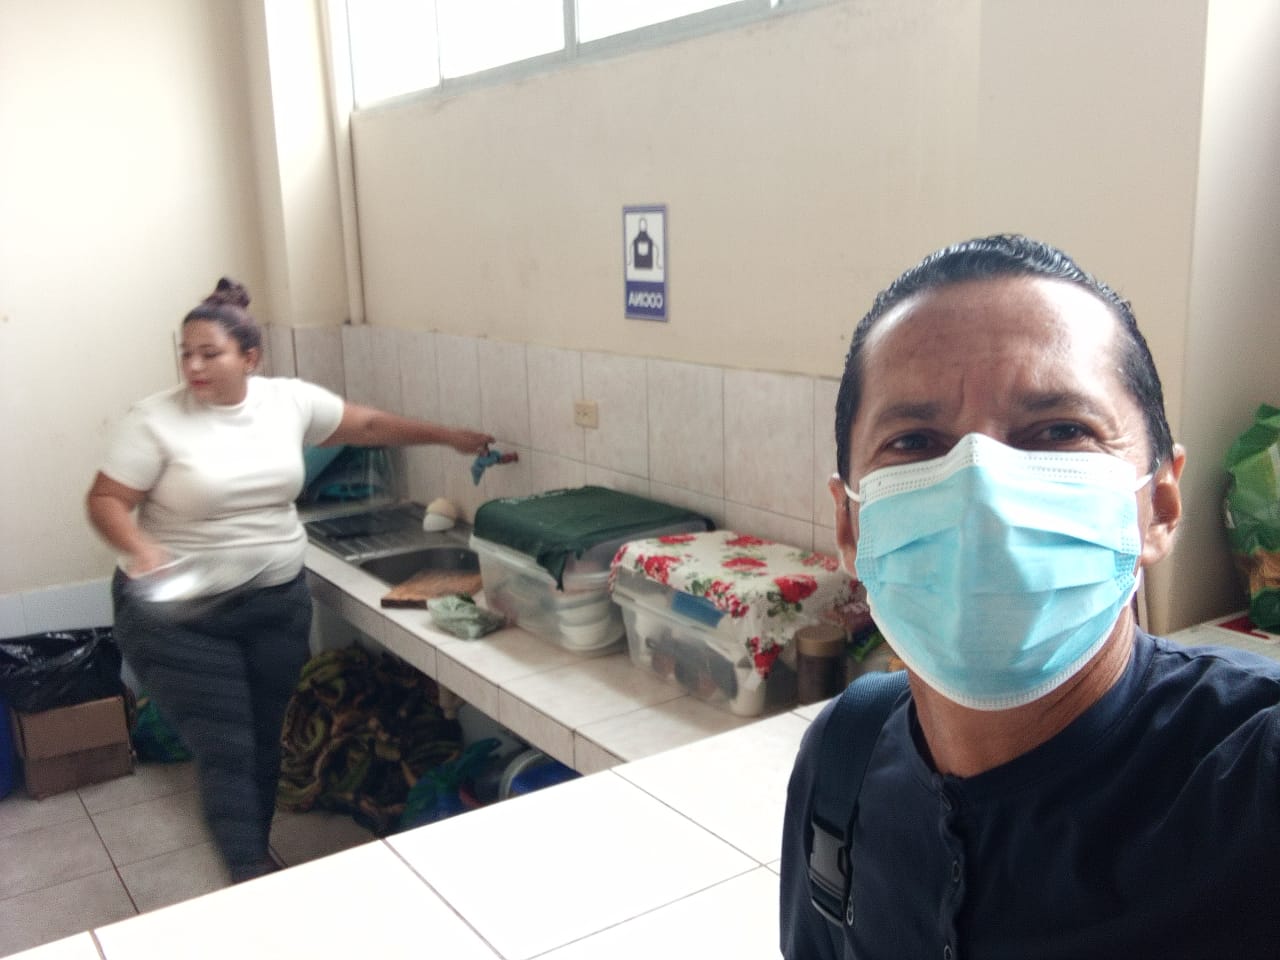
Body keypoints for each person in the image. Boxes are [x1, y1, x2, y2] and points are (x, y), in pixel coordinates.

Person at [779, 235, 1280, 958]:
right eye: (915, 442)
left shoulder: (1251, 784)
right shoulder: (841, 759)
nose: (981, 494)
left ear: (1161, 506)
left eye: (1060, 431)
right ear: (850, 525)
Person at [85, 277, 493, 883]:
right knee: (227, 746)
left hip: (274, 605)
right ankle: (249, 870)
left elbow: (368, 425)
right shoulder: (155, 421)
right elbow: (106, 500)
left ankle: (253, 848)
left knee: (264, 737)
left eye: (210, 354)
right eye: (186, 353)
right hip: (179, 619)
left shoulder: (287, 402)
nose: (193, 367)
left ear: (250, 357)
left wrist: (449, 436)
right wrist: (140, 547)